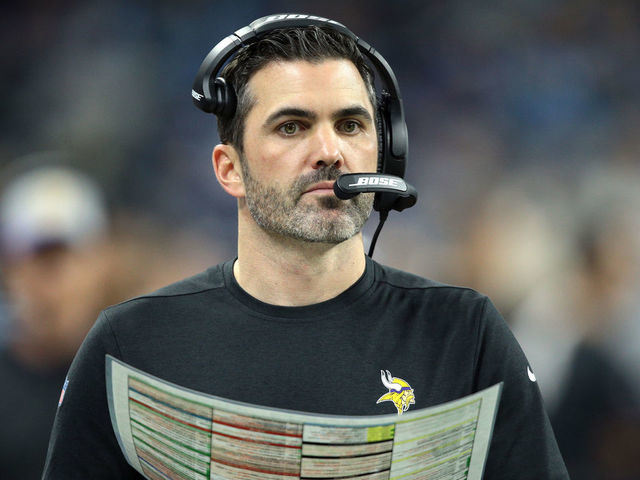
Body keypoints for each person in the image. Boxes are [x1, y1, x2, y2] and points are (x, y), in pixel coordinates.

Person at [42, 14, 569, 479]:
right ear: (230, 169)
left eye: (350, 124)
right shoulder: (131, 345)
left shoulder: (465, 333)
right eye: (292, 126)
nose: (329, 152)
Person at [0, 165, 110, 480]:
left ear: (100, 264)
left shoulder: (135, 384)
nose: (40, 282)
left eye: (55, 261)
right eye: (25, 262)